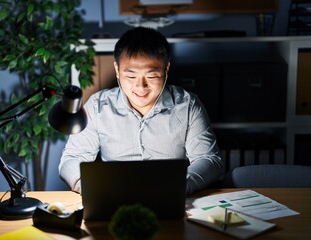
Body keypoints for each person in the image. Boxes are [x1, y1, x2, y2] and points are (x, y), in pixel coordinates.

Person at [59, 27, 223, 195]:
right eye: (131, 76)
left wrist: (179, 186)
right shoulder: (97, 106)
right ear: (117, 69)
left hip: (172, 196)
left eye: (151, 76)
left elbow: (209, 160)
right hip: (113, 196)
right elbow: (72, 158)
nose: (140, 87)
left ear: (166, 69)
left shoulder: (188, 105)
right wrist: (89, 186)